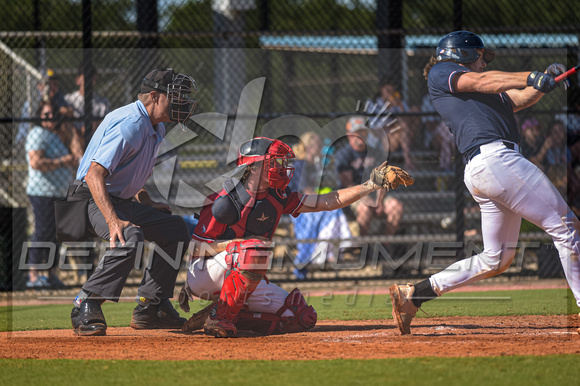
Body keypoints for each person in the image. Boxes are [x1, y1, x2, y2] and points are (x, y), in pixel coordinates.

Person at [389, 30, 580, 335]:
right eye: (478, 56)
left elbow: (520, 96)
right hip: (496, 161)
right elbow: (481, 81)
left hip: (488, 169)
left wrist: (546, 81)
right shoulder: (442, 72)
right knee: (566, 227)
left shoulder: (486, 91)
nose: (482, 61)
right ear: (460, 55)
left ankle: (415, 295)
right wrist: (532, 75)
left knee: (496, 259)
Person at [181, 136, 413, 338]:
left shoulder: (278, 196)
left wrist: (370, 185)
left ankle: (223, 312)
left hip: (239, 272)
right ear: (252, 167)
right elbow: (197, 248)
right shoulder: (225, 199)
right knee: (255, 249)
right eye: (273, 162)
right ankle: (219, 317)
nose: (281, 167)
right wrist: (235, 245)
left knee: (300, 316)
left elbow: (329, 201)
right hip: (204, 273)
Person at [68, 67, 198, 336]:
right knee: (129, 236)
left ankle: (151, 307)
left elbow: (131, 173)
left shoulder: (156, 126)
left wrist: (147, 201)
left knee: (175, 229)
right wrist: (112, 220)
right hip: (88, 198)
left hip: (118, 198)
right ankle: (85, 302)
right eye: (176, 96)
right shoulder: (131, 124)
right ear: (154, 96)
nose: (182, 102)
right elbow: (94, 174)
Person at [25, 101, 83, 288]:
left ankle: (51, 274)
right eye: (46, 114)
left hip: (58, 192)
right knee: (42, 232)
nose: (50, 118)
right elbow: (36, 163)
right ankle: (33, 275)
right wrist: (62, 161)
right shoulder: (37, 134)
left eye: (53, 114)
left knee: (56, 235)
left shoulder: (57, 135)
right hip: (42, 192)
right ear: (39, 116)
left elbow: (78, 154)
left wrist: (69, 124)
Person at [289, 131, 352, 279]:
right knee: (331, 210)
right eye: (318, 145)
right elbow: (307, 192)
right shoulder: (300, 164)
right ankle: (328, 252)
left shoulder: (312, 165)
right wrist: (325, 201)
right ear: (309, 147)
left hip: (309, 206)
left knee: (333, 211)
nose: (321, 148)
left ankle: (329, 252)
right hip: (298, 209)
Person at [334, 116, 404, 237]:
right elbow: (348, 185)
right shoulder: (343, 154)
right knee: (365, 209)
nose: (361, 135)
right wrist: (367, 200)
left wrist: (379, 201)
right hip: (352, 197)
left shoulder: (376, 152)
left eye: (363, 131)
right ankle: (363, 246)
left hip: (375, 195)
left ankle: (385, 244)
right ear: (349, 135)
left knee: (396, 207)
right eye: (357, 132)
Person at [365, 79, 417, 171]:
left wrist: (400, 107)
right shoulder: (372, 103)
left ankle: (408, 159)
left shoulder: (398, 102)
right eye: (388, 91)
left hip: (402, 134)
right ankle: (408, 162)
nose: (390, 94)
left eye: (393, 91)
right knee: (402, 124)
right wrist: (389, 108)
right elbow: (376, 130)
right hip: (382, 141)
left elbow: (409, 120)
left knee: (415, 111)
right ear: (381, 90)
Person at [18, 71, 72, 145]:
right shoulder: (32, 101)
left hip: (50, 134)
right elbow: (35, 126)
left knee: (67, 126)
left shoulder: (57, 97)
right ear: (39, 86)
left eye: (55, 84)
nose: (52, 87)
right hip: (28, 138)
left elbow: (70, 111)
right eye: (48, 84)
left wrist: (56, 109)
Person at [65, 65, 111, 148]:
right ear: (78, 80)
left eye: (92, 78)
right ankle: (80, 157)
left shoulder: (103, 102)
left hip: (95, 137)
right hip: (75, 137)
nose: (89, 81)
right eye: (86, 78)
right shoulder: (69, 100)